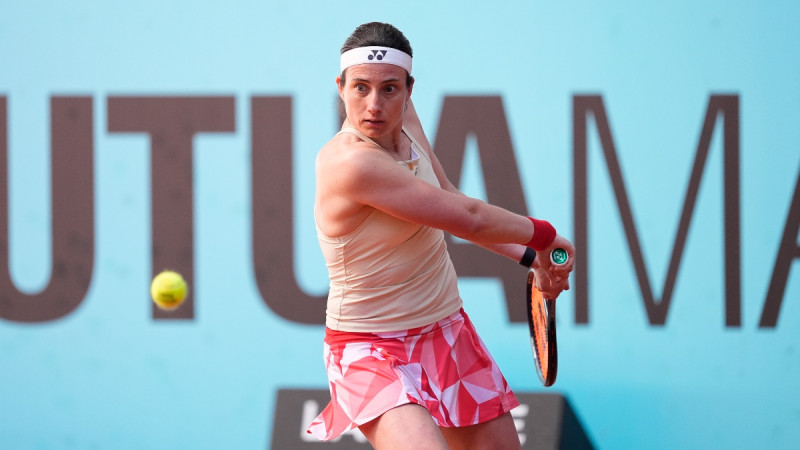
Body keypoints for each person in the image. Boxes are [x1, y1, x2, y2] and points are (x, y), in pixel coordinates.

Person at [306, 22, 575, 450]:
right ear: (340, 87)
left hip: (446, 333)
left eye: (389, 89)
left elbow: (448, 198)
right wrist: (544, 237)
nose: (374, 105)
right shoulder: (350, 163)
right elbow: (469, 218)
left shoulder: (405, 125)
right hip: (370, 348)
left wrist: (531, 258)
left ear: (408, 90)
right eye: (360, 88)